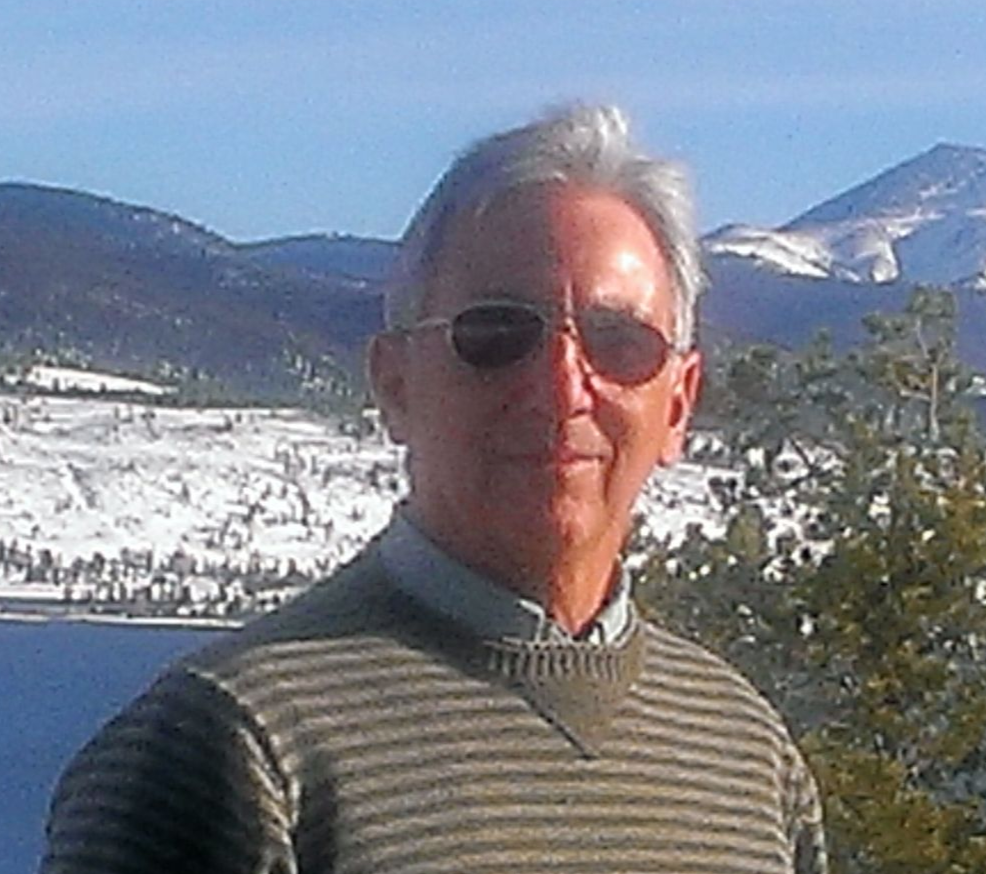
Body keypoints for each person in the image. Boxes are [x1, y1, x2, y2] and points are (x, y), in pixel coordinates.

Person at [41, 105, 827, 874]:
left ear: (678, 404)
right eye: (495, 334)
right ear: (395, 385)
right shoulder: (228, 750)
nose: (561, 386)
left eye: (619, 342)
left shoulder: (746, 756)